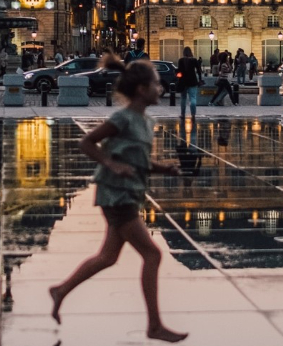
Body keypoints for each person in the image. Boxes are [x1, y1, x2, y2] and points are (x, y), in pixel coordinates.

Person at [49, 54, 186, 343]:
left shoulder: (145, 121)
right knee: (152, 254)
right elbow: (86, 142)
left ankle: (61, 290)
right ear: (141, 90)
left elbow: (138, 160)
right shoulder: (122, 118)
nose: (160, 89)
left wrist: (163, 168)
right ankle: (154, 325)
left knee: (108, 257)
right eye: (156, 84)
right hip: (116, 194)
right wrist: (111, 164)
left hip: (129, 192)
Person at [176, 46, 202, 120]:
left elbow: (179, 71)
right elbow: (199, 70)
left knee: (183, 98)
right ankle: (193, 114)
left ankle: (182, 114)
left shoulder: (181, 60)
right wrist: (200, 79)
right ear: (191, 52)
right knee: (193, 98)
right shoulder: (194, 60)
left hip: (183, 81)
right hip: (192, 81)